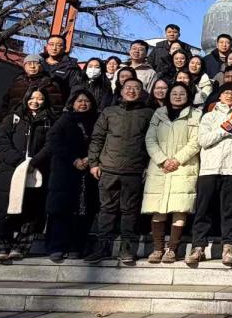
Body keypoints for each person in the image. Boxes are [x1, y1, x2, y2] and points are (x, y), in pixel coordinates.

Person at [84, 79, 154, 265]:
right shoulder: (109, 112)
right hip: (108, 169)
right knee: (106, 209)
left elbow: (153, 141)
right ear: (121, 91)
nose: (132, 91)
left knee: (130, 211)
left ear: (142, 92)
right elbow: (97, 138)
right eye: (128, 88)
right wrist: (93, 163)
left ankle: (127, 247)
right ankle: (103, 246)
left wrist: (148, 166)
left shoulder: (148, 114)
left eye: (136, 88)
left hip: (134, 170)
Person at [0, 89, 54, 261]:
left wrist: (34, 162)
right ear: (26, 98)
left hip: (35, 169)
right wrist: (18, 161)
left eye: (40, 98)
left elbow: (51, 144)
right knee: (2, 208)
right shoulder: (12, 118)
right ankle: (1, 246)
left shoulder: (49, 121)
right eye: (32, 98)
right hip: (9, 169)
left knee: (31, 209)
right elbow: (2, 141)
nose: (35, 101)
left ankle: (20, 247)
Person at [34, 89, 100, 261]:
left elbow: (102, 142)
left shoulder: (98, 120)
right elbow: (54, 141)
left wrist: (90, 159)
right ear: (73, 103)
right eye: (79, 101)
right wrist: (74, 160)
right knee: (60, 210)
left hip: (87, 173)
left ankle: (76, 246)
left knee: (83, 211)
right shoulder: (64, 120)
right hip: (64, 172)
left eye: (86, 101)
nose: (83, 104)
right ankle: (56, 247)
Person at [188, 84, 232, 268]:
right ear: (219, 96)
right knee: (203, 209)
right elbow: (204, 140)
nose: (229, 96)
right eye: (226, 93)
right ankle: (198, 247)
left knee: (230, 210)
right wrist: (226, 128)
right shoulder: (209, 116)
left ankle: (228, 247)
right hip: (209, 168)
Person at [140, 83, 201, 264]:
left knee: (179, 208)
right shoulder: (159, 113)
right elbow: (150, 139)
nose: (178, 96)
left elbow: (195, 141)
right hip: (160, 167)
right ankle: (157, 248)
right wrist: (162, 160)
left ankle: (172, 249)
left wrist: (176, 160)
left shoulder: (195, 114)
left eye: (182, 93)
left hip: (183, 167)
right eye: (174, 93)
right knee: (157, 208)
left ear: (188, 96)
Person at [0, 54, 64, 127]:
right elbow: (5, 106)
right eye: (28, 63)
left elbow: (56, 110)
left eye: (36, 63)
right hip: (13, 123)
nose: (32, 66)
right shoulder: (17, 82)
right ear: (24, 66)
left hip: (38, 126)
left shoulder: (50, 84)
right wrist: (0, 125)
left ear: (42, 66)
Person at [40, 34, 85, 101]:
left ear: (64, 48)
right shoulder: (37, 62)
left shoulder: (72, 67)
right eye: (51, 44)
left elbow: (75, 89)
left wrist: (68, 105)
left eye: (58, 45)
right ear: (46, 46)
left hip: (59, 104)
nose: (54, 48)